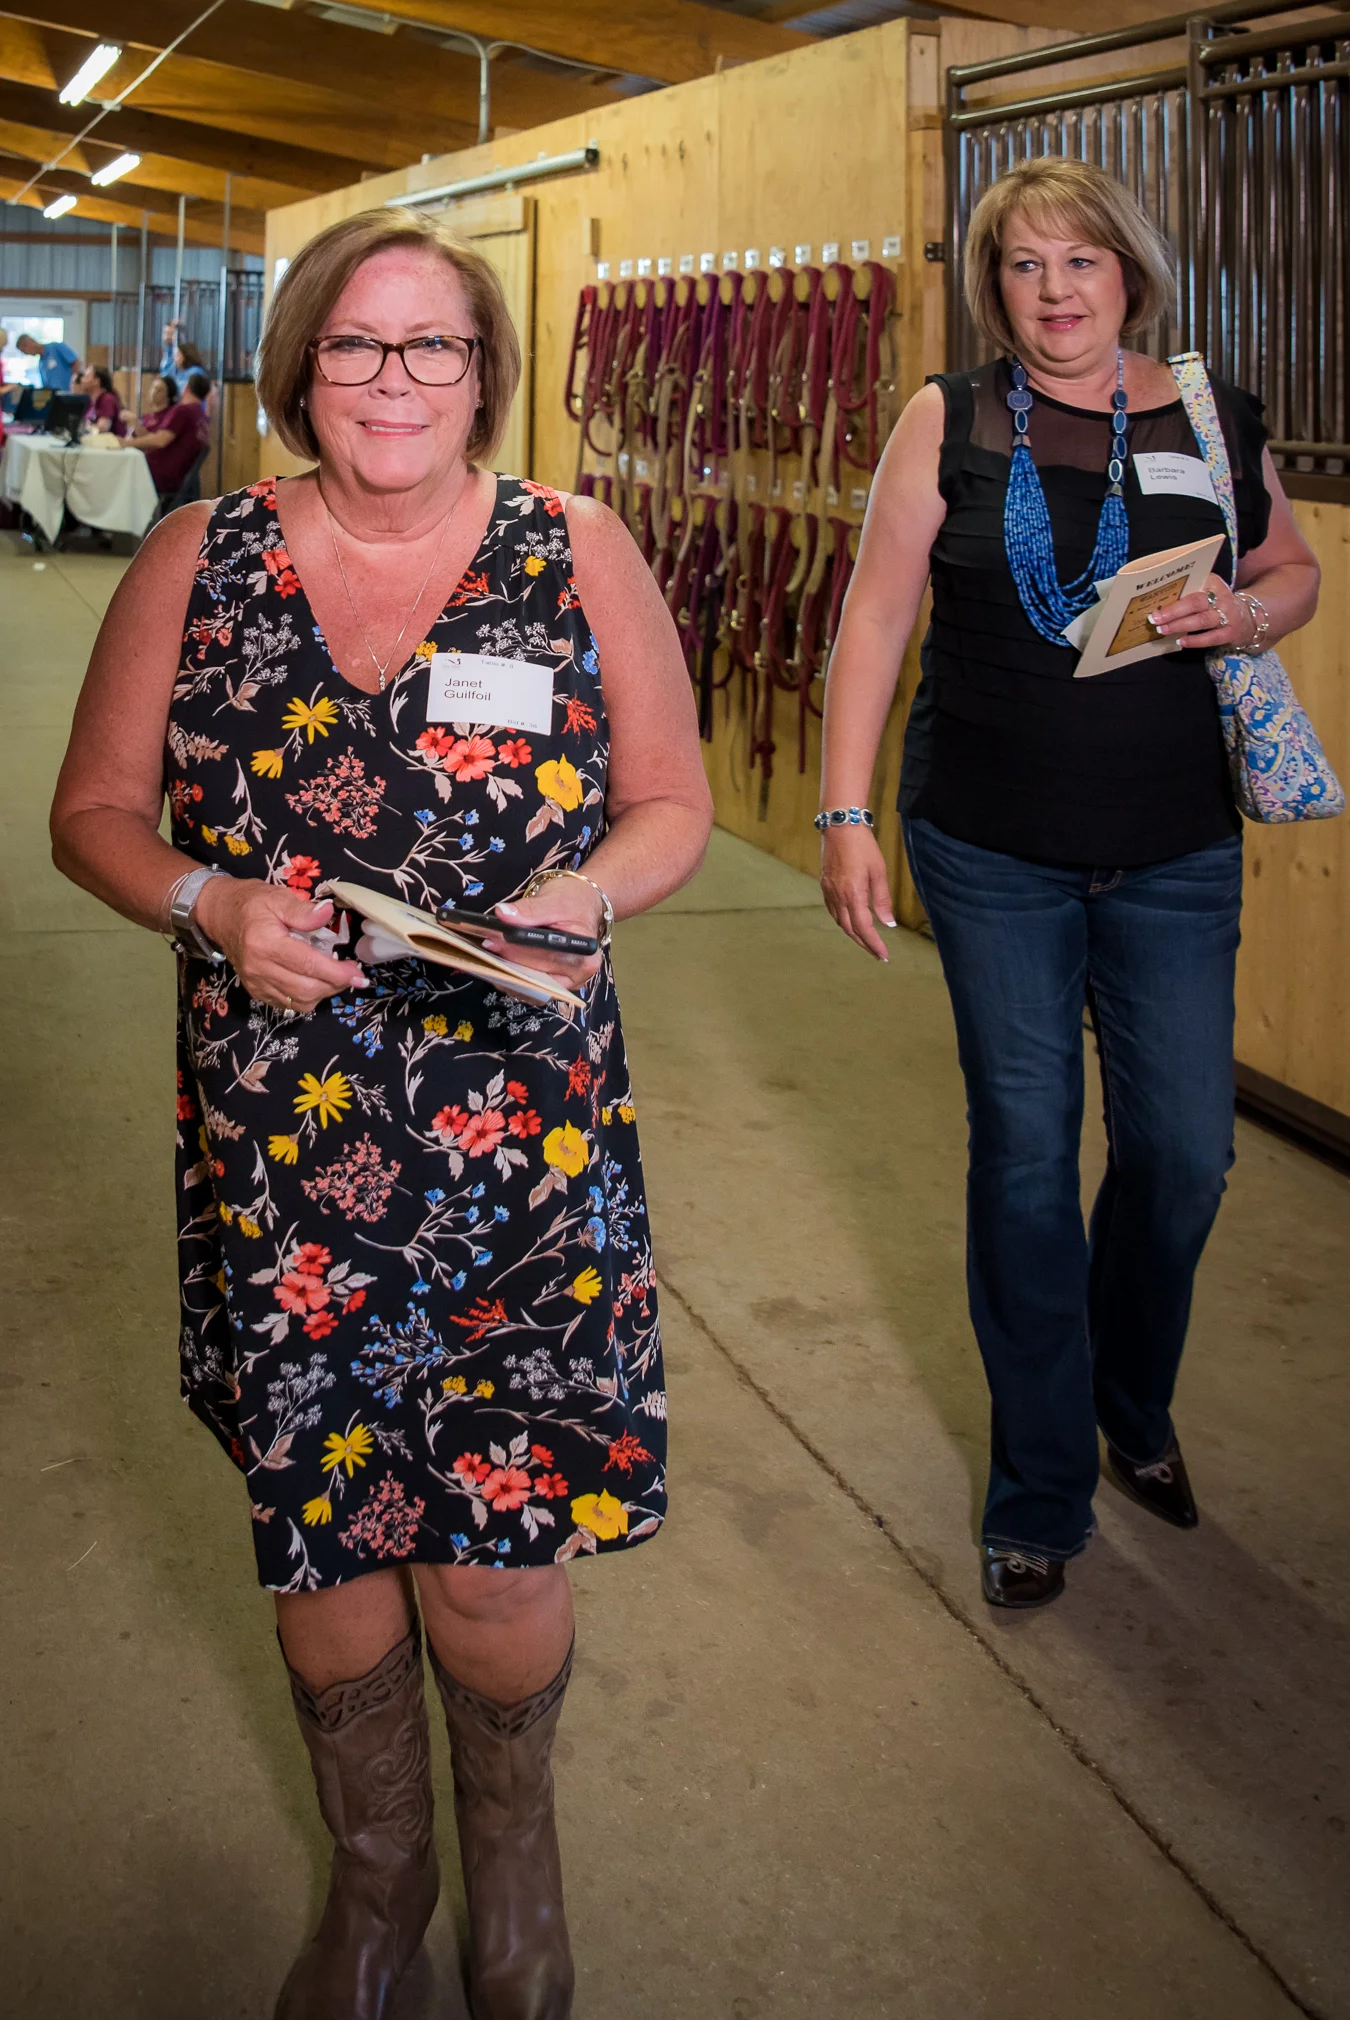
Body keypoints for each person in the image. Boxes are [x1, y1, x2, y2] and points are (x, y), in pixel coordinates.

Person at [50, 206, 713, 2019]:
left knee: (495, 1560)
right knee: (330, 1536)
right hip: (288, 1147)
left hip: (525, 1148)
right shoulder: (199, 554)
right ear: (302, 371)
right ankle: (378, 1887)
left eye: (432, 345)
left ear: (484, 374)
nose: (394, 379)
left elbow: (669, 801)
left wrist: (587, 893)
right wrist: (210, 906)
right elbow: (93, 816)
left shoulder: (575, 548)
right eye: (355, 343)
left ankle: (516, 1880)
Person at [818, 156, 1320, 1612]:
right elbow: (875, 618)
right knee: (1027, 1158)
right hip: (989, 848)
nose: (1055, 291)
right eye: (1025, 265)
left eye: (1081, 261)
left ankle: (1128, 1398)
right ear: (995, 286)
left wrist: (1246, 609)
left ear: (1129, 273)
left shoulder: (1210, 416)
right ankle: (1039, 1485)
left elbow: (1290, 569)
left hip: (1174, 847)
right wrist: (845, 814)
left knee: (1183, 1156)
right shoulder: (950, 416)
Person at [129, 367, 211, 496]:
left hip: (161, 476)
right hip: (178, 478)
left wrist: (126, 443)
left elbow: (160, 440)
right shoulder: (201, 414)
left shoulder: (183, 411)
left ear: (186, 387)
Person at [15, 330, 80, 392]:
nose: (26, 354)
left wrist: (76, 384)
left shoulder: (56, 347)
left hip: (68, 393)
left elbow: (75, 362)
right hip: (55, 397)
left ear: (29, 344)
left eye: (24, 350)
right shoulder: (41, 364)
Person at [78, 364, 125, 436]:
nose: (82, 380)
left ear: (96, 381)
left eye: (86, 376)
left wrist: (85, 428)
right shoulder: (90, 401)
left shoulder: (107, 399)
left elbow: (102, 429)